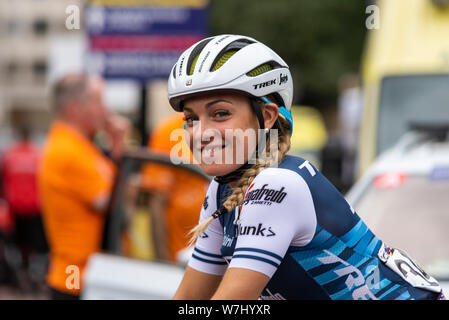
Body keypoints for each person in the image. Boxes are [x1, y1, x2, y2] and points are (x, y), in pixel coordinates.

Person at [167, 34, 444, 300]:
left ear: (266, 117)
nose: (200, 133)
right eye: (191, 119)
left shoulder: (276, 186)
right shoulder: (222, 191)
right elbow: (190, 297)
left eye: (220, 114)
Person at [38, 73, 129, 300]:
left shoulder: (81, 146)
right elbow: (111, 202)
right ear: (74, 108)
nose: (105, 110)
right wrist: (120, 145)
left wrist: (117, 146)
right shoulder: (68, 150)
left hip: (83, 275)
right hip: (76, 280)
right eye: (98, 101)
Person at [141, 113, 208, 263]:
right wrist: (162, 262)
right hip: (181, 258)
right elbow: (157, 203)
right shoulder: (169, 131)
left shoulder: (228, 124)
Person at [1, 127, 48, 292]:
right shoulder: (39, 155)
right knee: (36, 245)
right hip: (35, 208)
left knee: (18, 246)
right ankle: (33, 275)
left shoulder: (9, 155)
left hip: (16, 209)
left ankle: (21, 275)